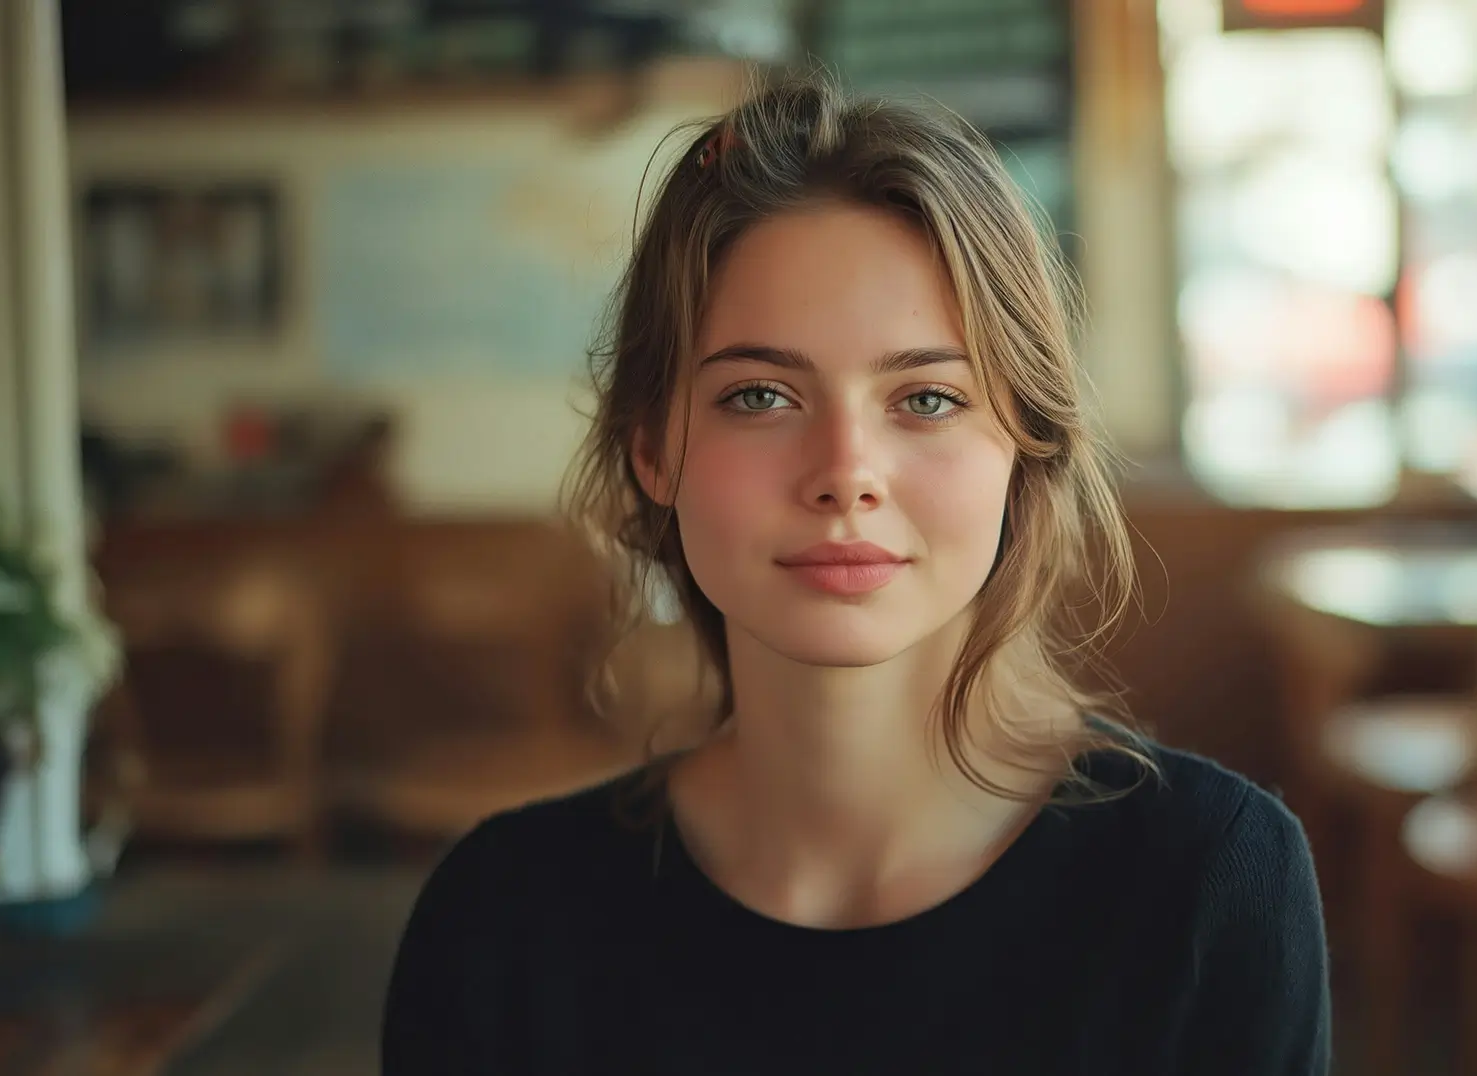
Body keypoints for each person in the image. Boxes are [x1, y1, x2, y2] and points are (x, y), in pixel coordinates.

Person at [381, 75, 1328, 1075]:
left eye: (924, 398)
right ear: (653, 447)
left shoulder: (1211, 879)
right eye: (760, 394)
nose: (845, 474)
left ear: (1025, 445)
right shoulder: (502, 922)